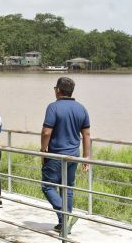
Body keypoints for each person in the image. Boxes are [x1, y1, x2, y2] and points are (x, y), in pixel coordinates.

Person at [40, 77, 90, 234]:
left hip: (56, 154)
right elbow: (87, 134)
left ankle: (64, 214)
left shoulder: (53, 107)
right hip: (74, 155)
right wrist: (86, 157)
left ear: (58, 90)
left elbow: (46, 131)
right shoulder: (81, 108)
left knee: (47, 186)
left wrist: (43, 149)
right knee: (67, 188)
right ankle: (63, 223)